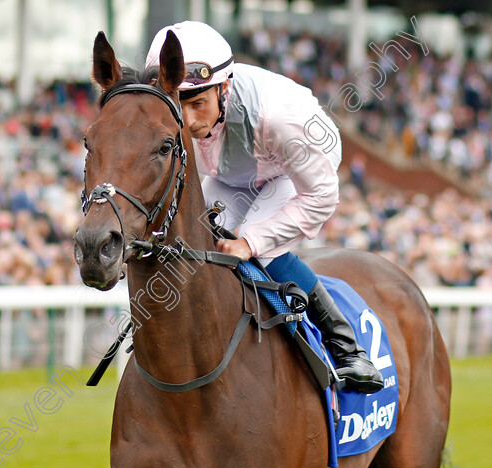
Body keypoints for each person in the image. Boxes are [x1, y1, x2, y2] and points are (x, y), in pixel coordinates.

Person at [146, 21, 383, 393]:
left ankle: (347, 347)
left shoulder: (280, 117)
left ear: (224, 87)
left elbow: (321, 197)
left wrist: (250, 242)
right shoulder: (169, 113)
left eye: (198, 104)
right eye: (178, 106)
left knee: (253, 247)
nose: (188, 121)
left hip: (293, 168)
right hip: (236, 170)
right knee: (194, 235)